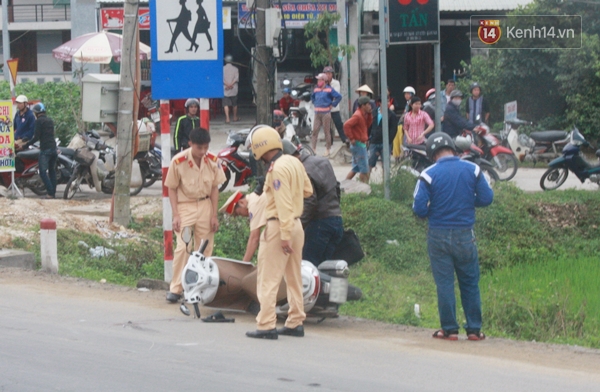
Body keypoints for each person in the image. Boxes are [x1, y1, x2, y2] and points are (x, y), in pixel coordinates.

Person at [413, 132, 493, 341]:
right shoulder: (473, 169)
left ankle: (449, 330)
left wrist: (435, 209)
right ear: (453, 148)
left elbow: (419, 209)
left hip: (438, 235)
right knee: (469, 283)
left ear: (432, 153)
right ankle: (474, 330)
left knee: (445, 284)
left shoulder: (428, 174)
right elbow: (487, 198)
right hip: (465, 235)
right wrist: (466, 202)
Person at [246, 126, 313, 340]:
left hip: (280, 227)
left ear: (260, 148)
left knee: (268, 278)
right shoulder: (294, 162)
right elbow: (308, 191)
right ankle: (295, 321)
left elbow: (282, 204)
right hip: (296, 225)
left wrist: (283, 236)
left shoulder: (276, 169)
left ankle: (266, 325)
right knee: (293, 277)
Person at [164, 128, 226, 303]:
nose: (203, 151)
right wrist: (175, 214)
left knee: (204, 249)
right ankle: (176, 288)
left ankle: (202, 287)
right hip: (185, 206)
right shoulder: (179, 161)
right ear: (190, 144)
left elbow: (215, 188)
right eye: (199, 147)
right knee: (183, 247)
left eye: (206, 147)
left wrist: (214, 215)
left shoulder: (213, 161)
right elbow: (172, 188)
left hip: (205, 205)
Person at [286, 141, 343, 266]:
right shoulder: (323, 161)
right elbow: (337, 187)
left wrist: (298, 227)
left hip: (319, 225)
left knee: (309, 268)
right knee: (327, 269)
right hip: (336, 221)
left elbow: (310, 201)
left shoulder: (303, 170)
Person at [219, 189, 268, 262]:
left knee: (264, 258)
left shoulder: (253, 204)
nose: (243, 216)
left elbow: (254, 238)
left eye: (239, 213)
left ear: (241, 203)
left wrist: (243, 264)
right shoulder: (255, 197)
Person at [22, 103, 57, 199]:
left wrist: (26, 145)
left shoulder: (39, 121)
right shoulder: (50, 121)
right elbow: (48, 135)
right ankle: (53, 193)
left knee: (42, 172)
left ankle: (50, 193)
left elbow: (36, 137)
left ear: (37, 113)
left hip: (45, 149)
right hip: (54, 148)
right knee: (52, 171)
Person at [311, 73, 341, 157]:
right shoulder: (316, 89)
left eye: (320, 80)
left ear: (324, 81)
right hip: (317, 113)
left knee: (326, 131)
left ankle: (328, 149)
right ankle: (313, 149)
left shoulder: (329, 89)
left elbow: (339, 97)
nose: (318, 81)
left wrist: (332, 104)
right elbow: (312, 97)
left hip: (326, 113)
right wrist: (315, 103)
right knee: (315, 131)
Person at [344, 96, 373, 183]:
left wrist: (370, 115)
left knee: (355, 168)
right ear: (363, 105)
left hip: (360, 144)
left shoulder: (364, 115)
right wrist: (351, 138)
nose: (370, 106)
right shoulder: (358, 115)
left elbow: (366, 126)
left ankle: (343, 185)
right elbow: (346, 125)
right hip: (358, 145)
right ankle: (364, 188)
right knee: (364, 170)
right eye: (368, 104)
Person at [369, 106, 398, 173]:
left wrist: (389, 141)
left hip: (386, 143)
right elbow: (369, 126)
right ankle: (365, 182)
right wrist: (369, 137)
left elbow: (393, 129)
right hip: (373, 142)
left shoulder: (391, 114)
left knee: (386, 165)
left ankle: (386, 182)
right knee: (369, 164)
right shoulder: (373, 112)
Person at [323, 66, 347, 145]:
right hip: (325, 108)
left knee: (339, 124)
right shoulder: (322, 83)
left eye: (329, 74)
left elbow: (335, 95)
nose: (328, 75)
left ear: (332, 74)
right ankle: (329, 141)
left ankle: (345, 139)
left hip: (334, 108)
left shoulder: (336, 83)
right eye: (326, 74)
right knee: (327, 126)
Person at [223, 55, 239, 123]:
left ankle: (227, 118)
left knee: (225, 104)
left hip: (225, 88)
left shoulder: (222, 68)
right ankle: (235, 117)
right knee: (234, 104)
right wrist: (231, 84)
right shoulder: (235, 69)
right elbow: (236, 79)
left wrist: (227, 85)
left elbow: (221, 78)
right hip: (233, 88)